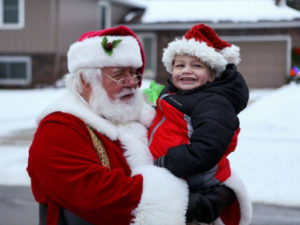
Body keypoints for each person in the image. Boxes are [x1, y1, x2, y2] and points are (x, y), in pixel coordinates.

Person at [27, 25, 190, 225]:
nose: (132, 82)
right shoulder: (58, 128)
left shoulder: (146, 118)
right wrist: (187, 201)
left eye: (134, 73)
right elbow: (96, 196)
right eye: (119, 74)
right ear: (85, 80)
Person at [148, 24, 252, 225]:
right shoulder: (177, 96)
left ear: (212, 75)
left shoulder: (214, 103)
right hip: (174, 180)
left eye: (197, 66)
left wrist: (167, 162)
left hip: (194, 185)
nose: (187, 71)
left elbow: (207, 148)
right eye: (180, 65)